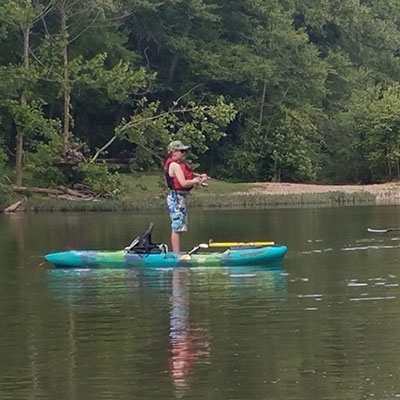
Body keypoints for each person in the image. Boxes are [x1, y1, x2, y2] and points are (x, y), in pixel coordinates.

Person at [163, 140, 207, 254]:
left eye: (184, 151)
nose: (184, 154)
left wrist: (199, 178)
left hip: (179, 198)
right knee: (176, 227)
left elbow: (188, 177)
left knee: (179, 226)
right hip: (176, 198)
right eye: (181, 151)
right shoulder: (174, 165)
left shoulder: (176, 165)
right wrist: (195, 181)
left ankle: (177, 253)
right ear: (173, 152)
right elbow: (183, 183)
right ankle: (176, 255)